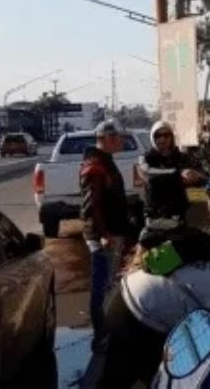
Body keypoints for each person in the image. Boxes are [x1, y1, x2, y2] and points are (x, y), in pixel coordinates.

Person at [80, 227, 210, 388]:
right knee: (116, 379)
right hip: (135, 316)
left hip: (131, 296)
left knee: (151, 378)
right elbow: (208, 345)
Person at [80, 120, 130, 348]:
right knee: (101, 286)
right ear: (108, 138)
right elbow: (92, 205)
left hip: (112, 232)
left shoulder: (105, 162)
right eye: (119, 137)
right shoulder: (95, 166)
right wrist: (103, 233)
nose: (122, 141)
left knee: (109, 283)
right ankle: (101, 335)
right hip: (104, 236)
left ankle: (108, 330)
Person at [138, 121, 206, 229]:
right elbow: (149, 175)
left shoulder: (183, 157)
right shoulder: (145, 158)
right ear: (152, 137)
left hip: (182, 215)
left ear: (172, 137)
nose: (162, 139)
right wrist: (179, 175)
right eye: (158, 136)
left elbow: (203, 176)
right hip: (157, 217)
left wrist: (195, 177)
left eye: (166, 135)